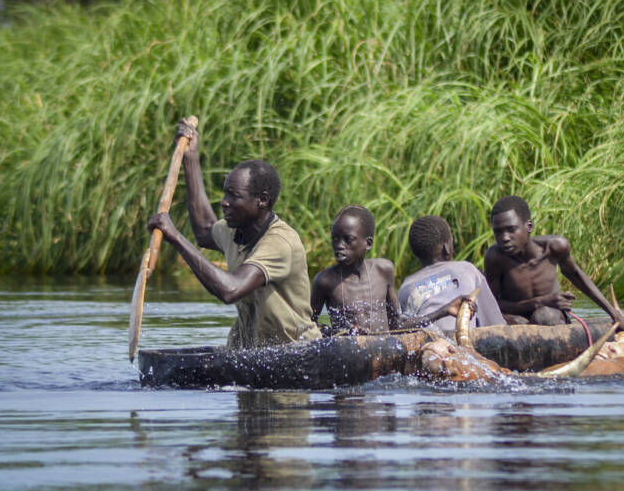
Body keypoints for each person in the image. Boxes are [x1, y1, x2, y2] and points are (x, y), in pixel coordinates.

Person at [146, 119, 322, 349]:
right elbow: (205, 230)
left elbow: (231, 290)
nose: (224, 203)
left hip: (296, 351)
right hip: (250, 351)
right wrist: (191, 159)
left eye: (234, 196)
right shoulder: (234, 230)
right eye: (225, 194)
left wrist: (176, 238)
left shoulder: (280, 242)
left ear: (262, 200)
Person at [310, 205, 469, 335]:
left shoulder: (383, 270)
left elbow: (397, 325)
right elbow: (311, 328)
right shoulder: (325, 281)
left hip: (384, 356)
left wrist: (445, 310)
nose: (339, 246)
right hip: (349, 359)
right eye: (335, 239)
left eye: (348, 239)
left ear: (369, 243)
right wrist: (339, 334)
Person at [483, 195, 624, 329]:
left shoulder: (554, 247)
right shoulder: (495, 257)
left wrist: (615, 315)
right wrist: (541, 301)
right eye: (498, 232)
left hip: (551, 316)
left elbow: (579, 279)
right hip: (516, 317)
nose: (504, 238)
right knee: (499, 321)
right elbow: (492, 305)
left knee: (543, 316)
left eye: (511, 229)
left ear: (529, 227)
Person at [398, 215, 506, 335]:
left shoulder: (406, 286)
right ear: (446, 248)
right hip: (463, 344)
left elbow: (403, 327)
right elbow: (495, 325)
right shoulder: (466, 269)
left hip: (430, 347)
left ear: (416, 253)